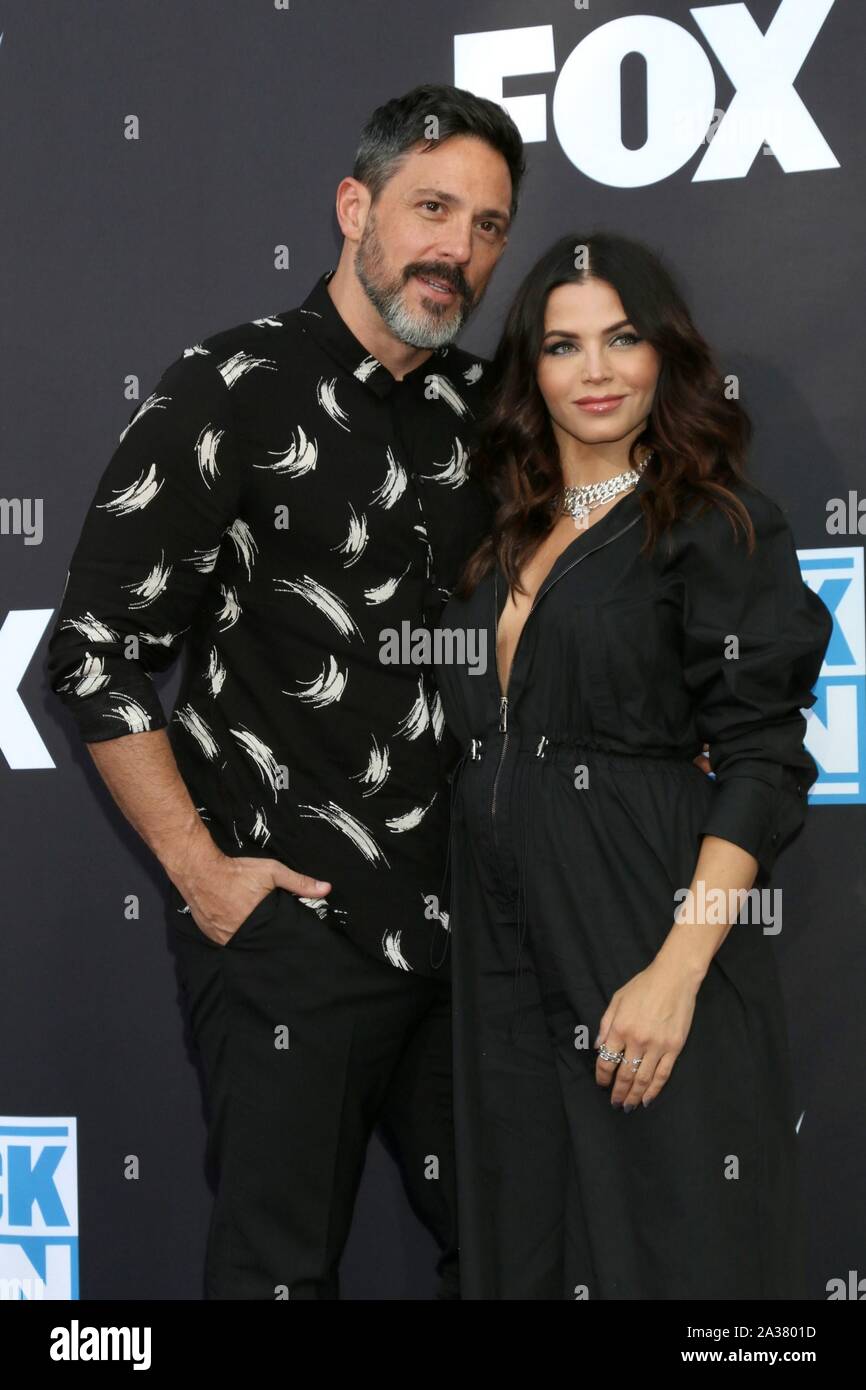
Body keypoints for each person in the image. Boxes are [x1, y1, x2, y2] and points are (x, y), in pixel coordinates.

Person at [44, 84, 526, 1299]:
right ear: (352, 206)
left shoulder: (485, 419)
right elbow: (92, 648)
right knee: (276, 1274)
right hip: (291, 932)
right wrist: (205, 879)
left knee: (521, 1252)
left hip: (466, 939)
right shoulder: (230, 385)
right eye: (430, 208)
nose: (454, 249)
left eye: (485, 226)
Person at [431, 230, 834, 1300]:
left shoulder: (710, 525)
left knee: (681, 1242)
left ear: (664, 354)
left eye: (622, 338)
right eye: (563, 347)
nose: (596, 370)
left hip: (641, 920)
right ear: (530, 371)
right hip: (501, 946)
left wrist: (674, 971)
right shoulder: (496, 537)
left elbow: (762, 758)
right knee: (522, 1243)